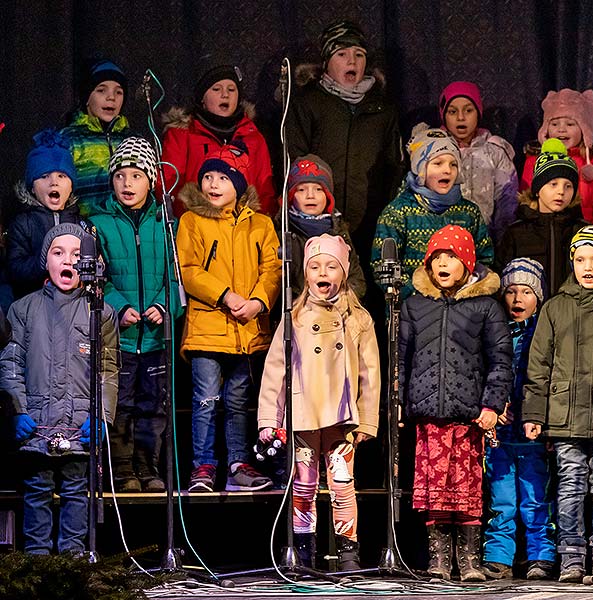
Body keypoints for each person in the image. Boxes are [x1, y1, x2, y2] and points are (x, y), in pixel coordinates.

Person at [257, 234, 379, 571]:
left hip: (342, 417)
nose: (322, 272)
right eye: (314, 266)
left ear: (342, 272)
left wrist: (368, 419)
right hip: (304, 415)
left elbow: (371, 373)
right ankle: (303, 552)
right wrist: (270, 418)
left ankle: (349, 553)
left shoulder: (358, 318)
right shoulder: (294, 318)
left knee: (342, 482)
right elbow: (275, 370)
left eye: (330, 266)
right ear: (306, 274)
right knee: (304, 484)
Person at [399, 225, 512, 581]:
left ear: (467, 263)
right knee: (434, 492)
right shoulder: (414, 305)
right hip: (429, 415)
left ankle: (469, 561)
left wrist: (492, 404)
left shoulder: (485, 307)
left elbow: (500, 359)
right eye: (437, 258)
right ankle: (438, 560)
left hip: (468, 418)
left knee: (466, 490)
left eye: (451, 257)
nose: (443, 264)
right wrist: (399, 405)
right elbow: (401, 358)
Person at [522, 225, 593, 581]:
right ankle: (570, 554)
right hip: (565, 415)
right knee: (569, 483)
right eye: (581, 259)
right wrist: (535, 411)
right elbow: (538, 365)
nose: (588, 267)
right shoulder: (556, 307)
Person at [0, 223, 118, 554]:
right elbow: (11, 364)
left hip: (79, 424)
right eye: (58, 252)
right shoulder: (23, 310)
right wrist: (17, 410)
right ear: (46, 261)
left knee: (77, 491)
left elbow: (108, 369)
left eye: (77, 255)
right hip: (37, 422)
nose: (68, 260)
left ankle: (73, 560)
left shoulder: (101, 313)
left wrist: (102, 416)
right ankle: (38, 563)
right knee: (37, 491)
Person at [176, 143, 280, 493]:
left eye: (223, 177)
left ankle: (238, 463)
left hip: (247, 329)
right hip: (207, 327)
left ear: (238, 184)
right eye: (207, 177)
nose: (213, 184)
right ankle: (203, 465)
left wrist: (259, 301)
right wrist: (226, 295)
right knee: (205, 399)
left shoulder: (261, 224)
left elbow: (272, 269)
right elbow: (188, 270)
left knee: (238, 401)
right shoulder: (191, 221)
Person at [90, 136, 182, 493]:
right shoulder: (99, 224)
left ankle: (149, 466)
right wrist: (119, 308)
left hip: (156, 338)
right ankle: (123, 469)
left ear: (152, 180)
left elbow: (176, 276)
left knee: (154, 406)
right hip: (121, 337)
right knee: (121, 404)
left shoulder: (165, 224)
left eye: (136, 176)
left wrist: (163, 305)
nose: (127, 184)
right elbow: (99, 278)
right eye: (120, 176)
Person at [285, 20, 403, 254]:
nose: (352, 61)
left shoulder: (382, 108)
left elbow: (394, 166)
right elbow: (294, 163)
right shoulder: (308, 103)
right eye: (342, 54)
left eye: (359, 54)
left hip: (371, 225)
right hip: (319, 224)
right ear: (327, 62)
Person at [482, 258, 555, 581]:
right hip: (500, 431)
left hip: (532, 431)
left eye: (526, 292)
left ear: (538, 297)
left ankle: (540, 554)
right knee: (502, 499)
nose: (517, 299)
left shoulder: (544, 333)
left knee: (536, 497)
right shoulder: (494, 331)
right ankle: (499, 556)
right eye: (511, 291)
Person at [371, 128, 492, 300]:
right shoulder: (398, 212)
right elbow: (382, 267)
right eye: (438, 163)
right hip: (413, 313)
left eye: (453, 164)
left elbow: (484, 259)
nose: (447, 170)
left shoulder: (469, 212)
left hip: (459, 311)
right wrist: (421, 297)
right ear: (420, 168)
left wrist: (463, 291)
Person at [161, 64, 277, 216]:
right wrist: (186, 220)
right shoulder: (182, 134)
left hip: (243, 228)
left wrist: (259, 225)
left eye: (231, 89)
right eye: (216, 89)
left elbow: (264, 189)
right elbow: (170, 183)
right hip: (196, 224)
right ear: (202, 98)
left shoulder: (253, 137)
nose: (225, 95)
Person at [497, 138, 588, 295]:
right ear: (538, 189)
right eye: (553, 184)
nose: (561, 191)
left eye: (568, 186)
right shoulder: (516, 233)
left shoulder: (583, 232)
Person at [7, 129, 87, 299]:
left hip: (74, 310)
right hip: (35, 307)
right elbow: (15, 270)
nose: (54, 182)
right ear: (32, 188)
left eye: (62, 176)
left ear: (72, 186)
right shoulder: (23, 224)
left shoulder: (83, 224)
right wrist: (48, 261)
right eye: (44, 176)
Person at [521, 89, 593, 229]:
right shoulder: (535, 161)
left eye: (570, 124)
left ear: (585, 130)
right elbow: (527, 200)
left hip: (584, 238)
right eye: (554, 124)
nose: (561, 129)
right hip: (543, 235)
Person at [436, 81, 518, 242]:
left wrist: (502, 244)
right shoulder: (433, 151)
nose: (461, 117)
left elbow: (507, 202)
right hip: (442, 243)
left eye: (468, 110)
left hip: (484, 242)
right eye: (452, 112)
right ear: (443, 115)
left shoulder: (495, 151)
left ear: (478, 113)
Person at [282, 154, 366, 299]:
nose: (310, 195)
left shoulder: (339, 232)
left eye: (318, 189)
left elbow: (356, 280)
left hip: (336, 312)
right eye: (301, 190)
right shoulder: (281, 232)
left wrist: (338, 299)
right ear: (290, 196)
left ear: (328, 196)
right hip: (298, 313)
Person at [59, 59, 131, 211]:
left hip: (122, 230)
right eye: (101, 90)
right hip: (83, 228)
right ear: (86, 97)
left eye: (118, 92)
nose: (111, 97)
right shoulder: (69, 139)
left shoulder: (131, 140)